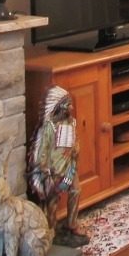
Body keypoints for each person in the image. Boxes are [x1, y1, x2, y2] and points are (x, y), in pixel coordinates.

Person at [28, 86, 87, 246]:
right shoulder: (50, 127)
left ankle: (71, 224)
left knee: (76, 190)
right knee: (52, 200)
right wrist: (43, 168)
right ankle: (50, 229)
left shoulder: (72, 122)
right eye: (68, 104)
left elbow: (76, 141)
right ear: (60, 107)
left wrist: (75, 151)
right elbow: (43, 150)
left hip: (69, 166)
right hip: (53, 169)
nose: (71, 107)